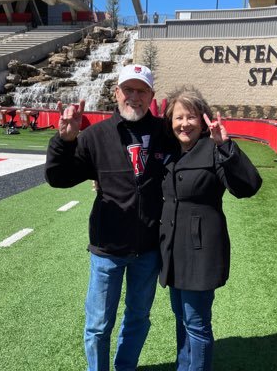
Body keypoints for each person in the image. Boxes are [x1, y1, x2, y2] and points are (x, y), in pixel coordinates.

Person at [45, 64, 169, 371]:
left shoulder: (165, 133)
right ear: (117, 93)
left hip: (148, 249)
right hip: (107, 249)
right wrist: (65, 141)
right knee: (99, 324)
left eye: (141, 90)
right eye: (128, 89)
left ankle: (125, 367)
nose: (134, 97)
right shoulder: (95, 136)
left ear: (151, 95)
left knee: (139, 318)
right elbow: (58, 178)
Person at [159, 85, 262, 370]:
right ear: (170, 121)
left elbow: (248, 186)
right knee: (181, 317)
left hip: (200, 250)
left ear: (203, 119)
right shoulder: (168, 152)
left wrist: (226, 147)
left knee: (197, 323)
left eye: (191, 117)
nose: (184, 124)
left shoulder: (214, 150)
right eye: (178, 117)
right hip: (172, 250)